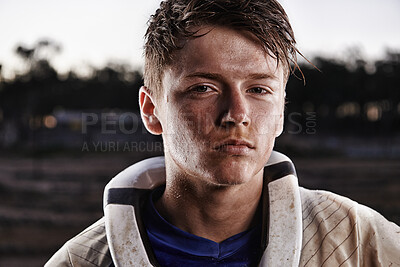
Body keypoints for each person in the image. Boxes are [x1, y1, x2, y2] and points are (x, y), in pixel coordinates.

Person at [46, 0, 400, 266]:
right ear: (151, 110)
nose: (236, 115)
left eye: (259, 89)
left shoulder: (357, 236)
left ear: (280, 112)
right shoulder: (80, 261)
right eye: (203, 88)